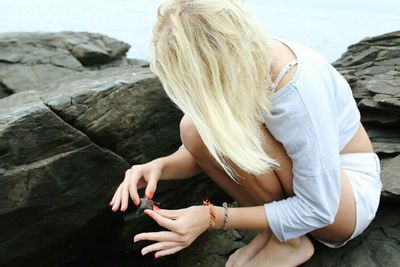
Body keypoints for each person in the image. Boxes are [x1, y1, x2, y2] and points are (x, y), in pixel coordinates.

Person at [109, 0, 383, 266]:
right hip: (308, 186)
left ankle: (289, 242)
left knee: (201, 128)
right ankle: (279, 234)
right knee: (193, 129)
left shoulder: (297, 92)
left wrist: (213, 217)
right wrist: (160, 167)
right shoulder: (243, 56)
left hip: (342, 204)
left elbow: (320, 209)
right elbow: (210, 148)